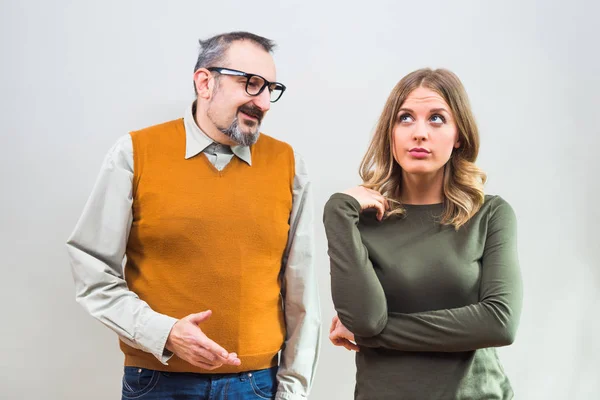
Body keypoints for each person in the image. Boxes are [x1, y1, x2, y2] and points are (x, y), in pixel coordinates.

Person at [67, 31, 321, 400]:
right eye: (251, 84)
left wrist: (293, 392)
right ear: (205, 82)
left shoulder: (289, 165)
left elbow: (303, 295)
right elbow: (92, 271)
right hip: (156, 382)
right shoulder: (134, 153)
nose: (264, 102)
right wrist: (163, 332)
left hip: (257, 386)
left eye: (271, 88)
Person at [323, 68, 523, 400]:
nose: (419, 133)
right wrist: (337, 210)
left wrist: (376, 336)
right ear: (391, 133)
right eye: (405, 118)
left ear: (458, 135)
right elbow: (366, 320)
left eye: (436, 119)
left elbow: (499, 322)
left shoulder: (490, 214)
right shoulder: (364, 220)